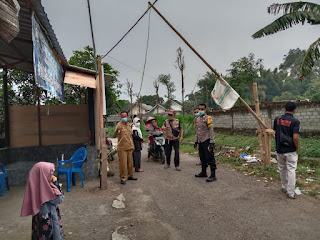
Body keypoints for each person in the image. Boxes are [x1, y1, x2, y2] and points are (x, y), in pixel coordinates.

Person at [21, 162, 64, 240]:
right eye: (50, 173)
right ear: (43, 175)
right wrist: (56, 184)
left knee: (39, 235)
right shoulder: (48, 189)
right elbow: (59, 199)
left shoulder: (34, 186)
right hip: (50, 219)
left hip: (38, 218)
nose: (52, 175)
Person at [273, 102, 300, 199]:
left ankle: (284, 187)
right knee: (291, 170)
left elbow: (275, 133)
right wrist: (297, 148)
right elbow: (295, 137)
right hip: (290, 150)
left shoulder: (277, 119)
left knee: (282, 169)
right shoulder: (295, 121)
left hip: (279, 149)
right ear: (294, 110)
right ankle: (291, 192)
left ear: (285, 109)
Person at [195, 104, 217, 182]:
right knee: (202, 157)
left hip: (207, 140)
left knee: (210, 158)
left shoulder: (208, 118)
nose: (200, 110)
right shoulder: (198, 119)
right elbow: (198, 131)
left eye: (202, 109)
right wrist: (196, 141)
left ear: (205, 110)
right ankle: (203, 172)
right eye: (199, 109)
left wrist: (212, 142)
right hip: (200, 141)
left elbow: (211, 130)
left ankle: (213, 175)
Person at [115, 111, 137, 185]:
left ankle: (130, 175)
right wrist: (117, 130)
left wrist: (133, 145)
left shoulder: (128, 125)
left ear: (127, 116)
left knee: (130, 163)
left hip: (129, 147)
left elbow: (130, 136)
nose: (124, 118)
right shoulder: (119, 125)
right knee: (123, 164)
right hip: (122, 148)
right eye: (122, 117)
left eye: (125, 116)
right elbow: (115, 135)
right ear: (121, 117)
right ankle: (123, 177)